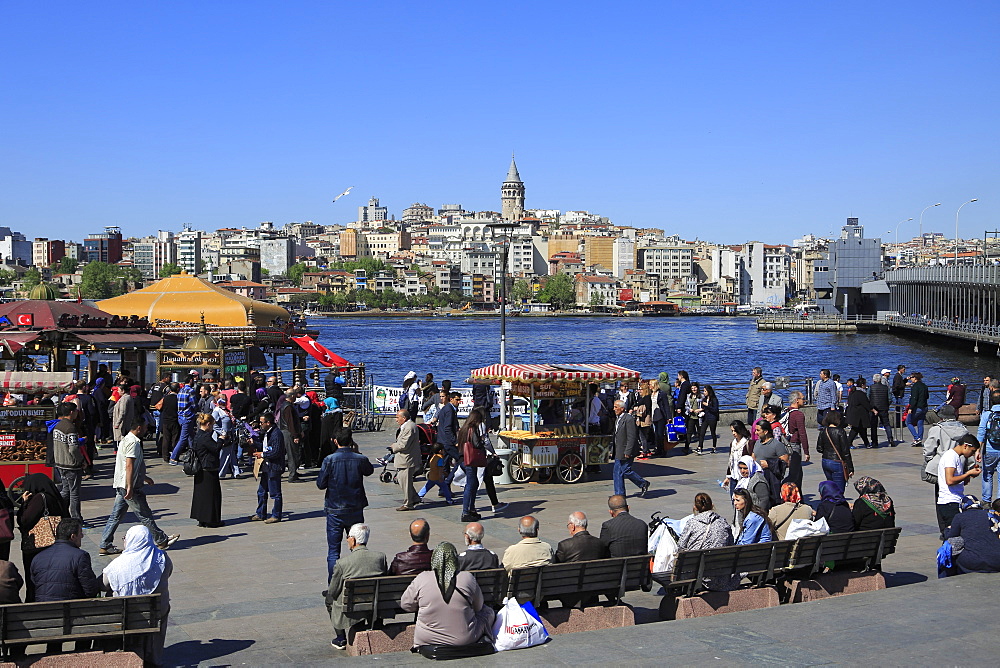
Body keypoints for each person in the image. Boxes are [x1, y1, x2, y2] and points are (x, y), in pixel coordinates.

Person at [99, 422, 178, 557]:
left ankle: (105, 544)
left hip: (122, 484)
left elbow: (131, 466)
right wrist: (130, 486)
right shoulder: (133, 442)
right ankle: (161, 540)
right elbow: (129, 465)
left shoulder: (125, 440)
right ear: (139, 427)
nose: (147, 430)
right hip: (130, 486)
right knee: (144, 514)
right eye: (146, 427)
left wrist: (145, 478)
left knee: (116, 516)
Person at [401, 542, 496, 651]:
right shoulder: (467, 577)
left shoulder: (422, 578)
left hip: (426, 639)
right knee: (488, 612)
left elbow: (405, 605)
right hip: (464, 639)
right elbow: (479, 607)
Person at [100, 526, 172, 666]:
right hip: (155, 614)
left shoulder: (117, 565)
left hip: (126, 616)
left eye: (125, 538)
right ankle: (153, 658)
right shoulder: (162, 558)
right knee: (163, 604)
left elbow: (102, 585)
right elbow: (167, 573)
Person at [316, 427, 373, 579]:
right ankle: (357, 579)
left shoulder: (329, 460)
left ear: (335, 441)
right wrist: (358, 452)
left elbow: (320, 484)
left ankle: (333, 585)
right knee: (358, 546)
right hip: (355, 508)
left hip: (335, 509)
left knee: (334, 551)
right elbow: (369, 470)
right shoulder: (359, 459)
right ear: (351, 440)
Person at [326, 523, 388, 651]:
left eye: (348, 537)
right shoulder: (380, 557)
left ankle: (340, 638)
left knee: (329, 600)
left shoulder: (342, 563)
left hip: (352, 607)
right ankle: (375, 623)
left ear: (353, 540)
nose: (347, 540)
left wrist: (329, 596)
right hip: (374, 605)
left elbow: (333, 591)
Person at [16, 474, 69, 601]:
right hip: (55, 543)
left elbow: (24, 520)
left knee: (34, 577)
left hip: (37, 547)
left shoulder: (39, 498)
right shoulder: (55, 497)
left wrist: (24, 503)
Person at [677, 493, 738, 589]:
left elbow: (680, 546)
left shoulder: (692, 523)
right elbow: (731, 545)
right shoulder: (723, 522)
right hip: (720, 575)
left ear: (695, 508)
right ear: (712, 505)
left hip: (696, 575)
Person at [936, 434, 982, 538]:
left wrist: (969, 475)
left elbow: (960, 482)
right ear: (965, 446)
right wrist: (968, 473)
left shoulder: (956, 457)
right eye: (973, 451)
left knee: (956, 536)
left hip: (954, 500)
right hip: (949, 502)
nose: (972, 454)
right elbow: (950, 480)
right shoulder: (950, 456)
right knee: (953, 537)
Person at [944, 498, 1000, 574]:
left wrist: (947, 529)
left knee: (948, 546)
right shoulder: (993, 514)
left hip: (972, 562)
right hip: (997, 561)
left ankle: (948, 578)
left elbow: (950, 536)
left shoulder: (960, 516)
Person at [52, 402, 85, 521]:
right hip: (71, 465)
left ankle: (58, 510)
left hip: (60, 463)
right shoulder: (70, 428)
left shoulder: (58, 426)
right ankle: (76, 518)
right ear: (71, 412)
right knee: (74, 493)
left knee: (66, 490)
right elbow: (74, 448)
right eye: (76, 411)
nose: (77, 413)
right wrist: (81, 460)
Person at [250, 412, 285, 524]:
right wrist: (254, 443)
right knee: (261, 491)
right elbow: (264, 447)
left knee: (275, 493)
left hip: (274, 467)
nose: (260, 425)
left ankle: (276, 515)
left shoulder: (276, 434)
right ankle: (261, 513)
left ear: (268, 423)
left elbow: (276, 451)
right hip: (266, 467)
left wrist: (263, 455)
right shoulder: (266, 433)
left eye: (262, 422)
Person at [190, 412, 223, 528]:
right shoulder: (205, 437)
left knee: (201, 496)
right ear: (208, 424)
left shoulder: (197, 435)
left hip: (200, 469)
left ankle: (202, 519)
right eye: (212, 425)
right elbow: (215, 448)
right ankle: (212, 520)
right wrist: (221, 439)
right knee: (212, 496)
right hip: (208, 469)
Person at [612, 399, 649, 498]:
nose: (614, 409)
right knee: (617, 473)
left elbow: (631, 436)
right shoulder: (618, 419)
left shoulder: (628, 419)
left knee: (625, 470)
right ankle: (619, 494)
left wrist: (628, 451)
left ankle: (642, 483)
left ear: (622, 408)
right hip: (618, 450)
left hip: (626, 450)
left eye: (616, 407)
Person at [456, 409, 488, 522]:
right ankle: (466, 511)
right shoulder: (472, 429)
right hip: (470, 460)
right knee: (470, 484)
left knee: (473, 483)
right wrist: (482, 441)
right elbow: (476, 443)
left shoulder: (464, 429)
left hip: (465, 459)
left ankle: (471, 509)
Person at [816, 411, 853, 494]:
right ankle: (837, 504)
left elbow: (819, 448)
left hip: (825, 460)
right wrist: (850, 468)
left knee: (831, 486)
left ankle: (830, 502)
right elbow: (845, 451)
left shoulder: (823, 431)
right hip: (837, 462)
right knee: (839, 490)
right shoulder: (840, 431)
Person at [780, 391, 809, 488]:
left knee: (799, 474)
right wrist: (806, 451)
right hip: (794, 445)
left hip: (785, 443)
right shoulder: (798, 415)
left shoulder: (786, 411)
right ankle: (780, 489)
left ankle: (798, 497)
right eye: (802, 398)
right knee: (794, 474)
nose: (804, 401)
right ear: (797, 400)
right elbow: (802, 433)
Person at [170, 371, 200, 464]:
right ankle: (173, 457)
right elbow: (194, 404)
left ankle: (194, 454)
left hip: (181, 417)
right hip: (188, 416)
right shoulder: (190, 391)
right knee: (183, 438)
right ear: (190, 380)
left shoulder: (181, 390)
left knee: (191, 437)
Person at [976, 391, 1000, 503]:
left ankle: (986, 500)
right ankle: (999, 501)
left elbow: (981, 432)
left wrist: (978, 450)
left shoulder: (987, 414)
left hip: (990, 449)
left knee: (987, 473)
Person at [277, 389, 303, 481]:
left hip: (286, 431)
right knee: (292, 453)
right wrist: (295, 435)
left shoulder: (285, 405)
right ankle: (292, 474)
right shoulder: (288, 407)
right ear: (292, 396)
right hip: (288, 432)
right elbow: (290, 422)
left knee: (288, 454)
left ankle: (290, 471)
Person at [723, 421, 752, 497]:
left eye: (735, 431)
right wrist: (728, 477)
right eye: (732, 431)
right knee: (734, 500)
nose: (733, 433)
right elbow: (731, 461)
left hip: (743, 477)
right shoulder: (732, 443)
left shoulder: (747, 443)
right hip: (734, 477)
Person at [868, 373, 896, 447]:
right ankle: (890, 439)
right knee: (886, 424)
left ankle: (874, 442)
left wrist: (870, 407)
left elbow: (867, 398)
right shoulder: (886, 387)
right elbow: (890, 398)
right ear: (880, 380)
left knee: (873, 426)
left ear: (873, 380)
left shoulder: (871, 387)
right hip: (884, 408)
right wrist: (887, 405)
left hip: (874, 408)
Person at [846, 376, 873, 448]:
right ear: (862, 385)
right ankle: (848, 443)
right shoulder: (861, 393)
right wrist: (872, 409)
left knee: (862, 429)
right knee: (856, 429)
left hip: (853, 413)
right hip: (859, 414)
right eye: (865, 384)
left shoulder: (853, 392)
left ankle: (866, 443)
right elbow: (866, 403)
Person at [907, 371, 930, 446]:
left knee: (908, 422)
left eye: (911, 377)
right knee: (920, 423)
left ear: (915, 378)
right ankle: (920, 438)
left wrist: (911, 408)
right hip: (924, 407)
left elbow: (914, 398)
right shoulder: (924, 386)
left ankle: (916, 438)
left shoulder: (915, 386)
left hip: (917, 407)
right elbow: (927, 396)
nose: (910, 379)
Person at [158, 383, 180, 463]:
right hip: (175, 420)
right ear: (177, 389)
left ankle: (165, 456)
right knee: (175, 438)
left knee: (166, 438)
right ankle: (174, 455)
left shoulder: (165, 398)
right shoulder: (178, 398)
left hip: (166, 420)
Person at [696, 385, 720, 455]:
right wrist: (700, 411)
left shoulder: (714, 399)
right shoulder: (704, 399)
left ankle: (714, 447)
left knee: (713, 432)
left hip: (712, 418)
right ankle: (700, 447)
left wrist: (707, 405)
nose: (704, 393)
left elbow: (715, 409)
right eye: (703, 391)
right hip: (705, 417)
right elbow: (703, 408)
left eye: (705, 391)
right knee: (702, 432)